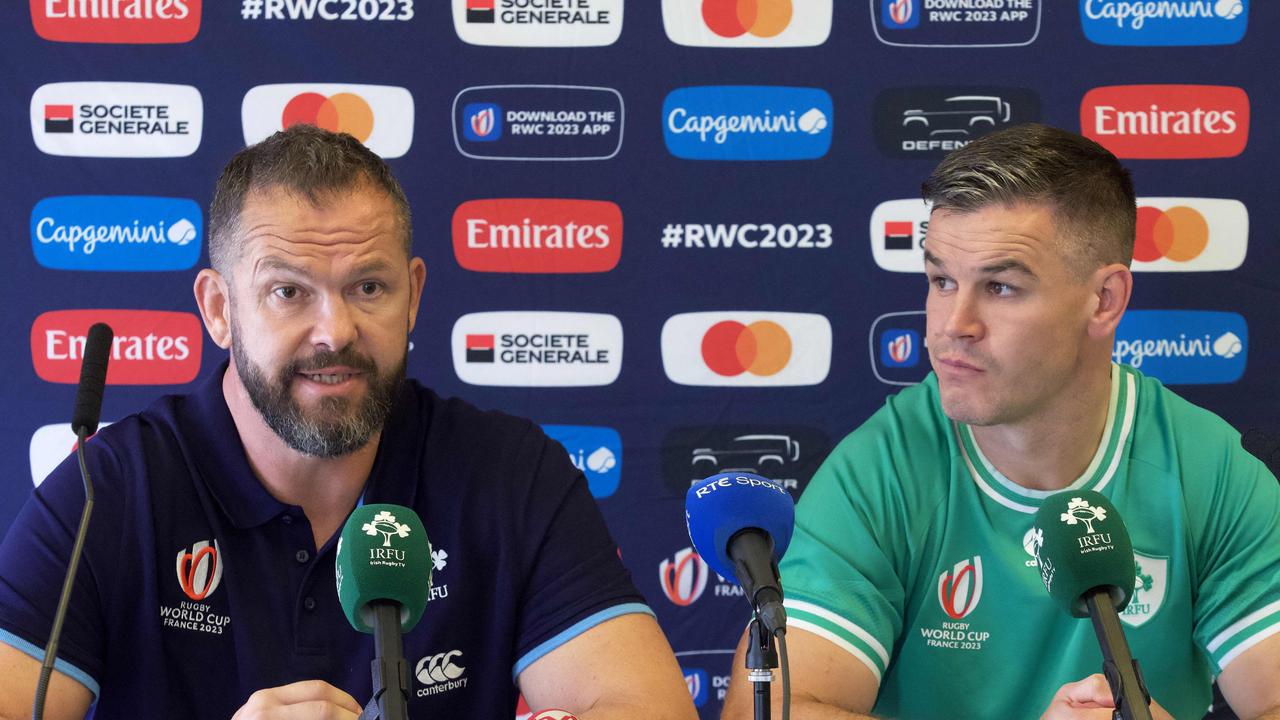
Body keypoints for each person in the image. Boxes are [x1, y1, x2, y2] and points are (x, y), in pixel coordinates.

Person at [0, 125, 697, 720]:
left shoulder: (510, 474)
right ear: (218, 309)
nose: (333, 331)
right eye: (287, 292)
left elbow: (645, 708)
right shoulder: (110, 493)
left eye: (368, 287)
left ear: (414, 295)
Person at [721, 124, 1280, 719]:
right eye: (941, 280)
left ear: (1105, 300)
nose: (953, 324)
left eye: (1001, 287)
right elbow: (779, 708)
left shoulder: (1208, 469)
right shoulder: (880, 470)